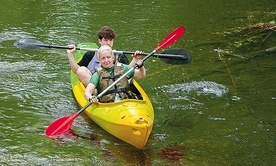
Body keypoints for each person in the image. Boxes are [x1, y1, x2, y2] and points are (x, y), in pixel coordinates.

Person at [67, 26, 141, 86]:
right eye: (106, 40)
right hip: (96, 87)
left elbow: (129, 71)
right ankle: (95, 94)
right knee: (81, 70)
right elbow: (76, 70)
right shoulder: (91, 54)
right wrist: (70, 55)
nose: (109, 43)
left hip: (115, 85)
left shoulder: (119, 55)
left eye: (111, 40)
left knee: (129, 79)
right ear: (100, 41)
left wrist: (134, 59)